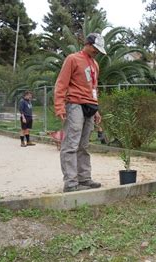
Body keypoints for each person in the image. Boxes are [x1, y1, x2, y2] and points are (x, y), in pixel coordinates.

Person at [54, 33, 106, 193]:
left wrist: (96, 109)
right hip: (74, 104)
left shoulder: (95, 64)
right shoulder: (73, 59)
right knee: (71, 143)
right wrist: (59, 106)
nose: (96, 52)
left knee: (84, 145)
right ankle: (70, 183)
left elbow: (94, 88)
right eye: (95, 48)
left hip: (90, 106)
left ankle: (84, 178)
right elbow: (61, 83)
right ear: (88, 44)